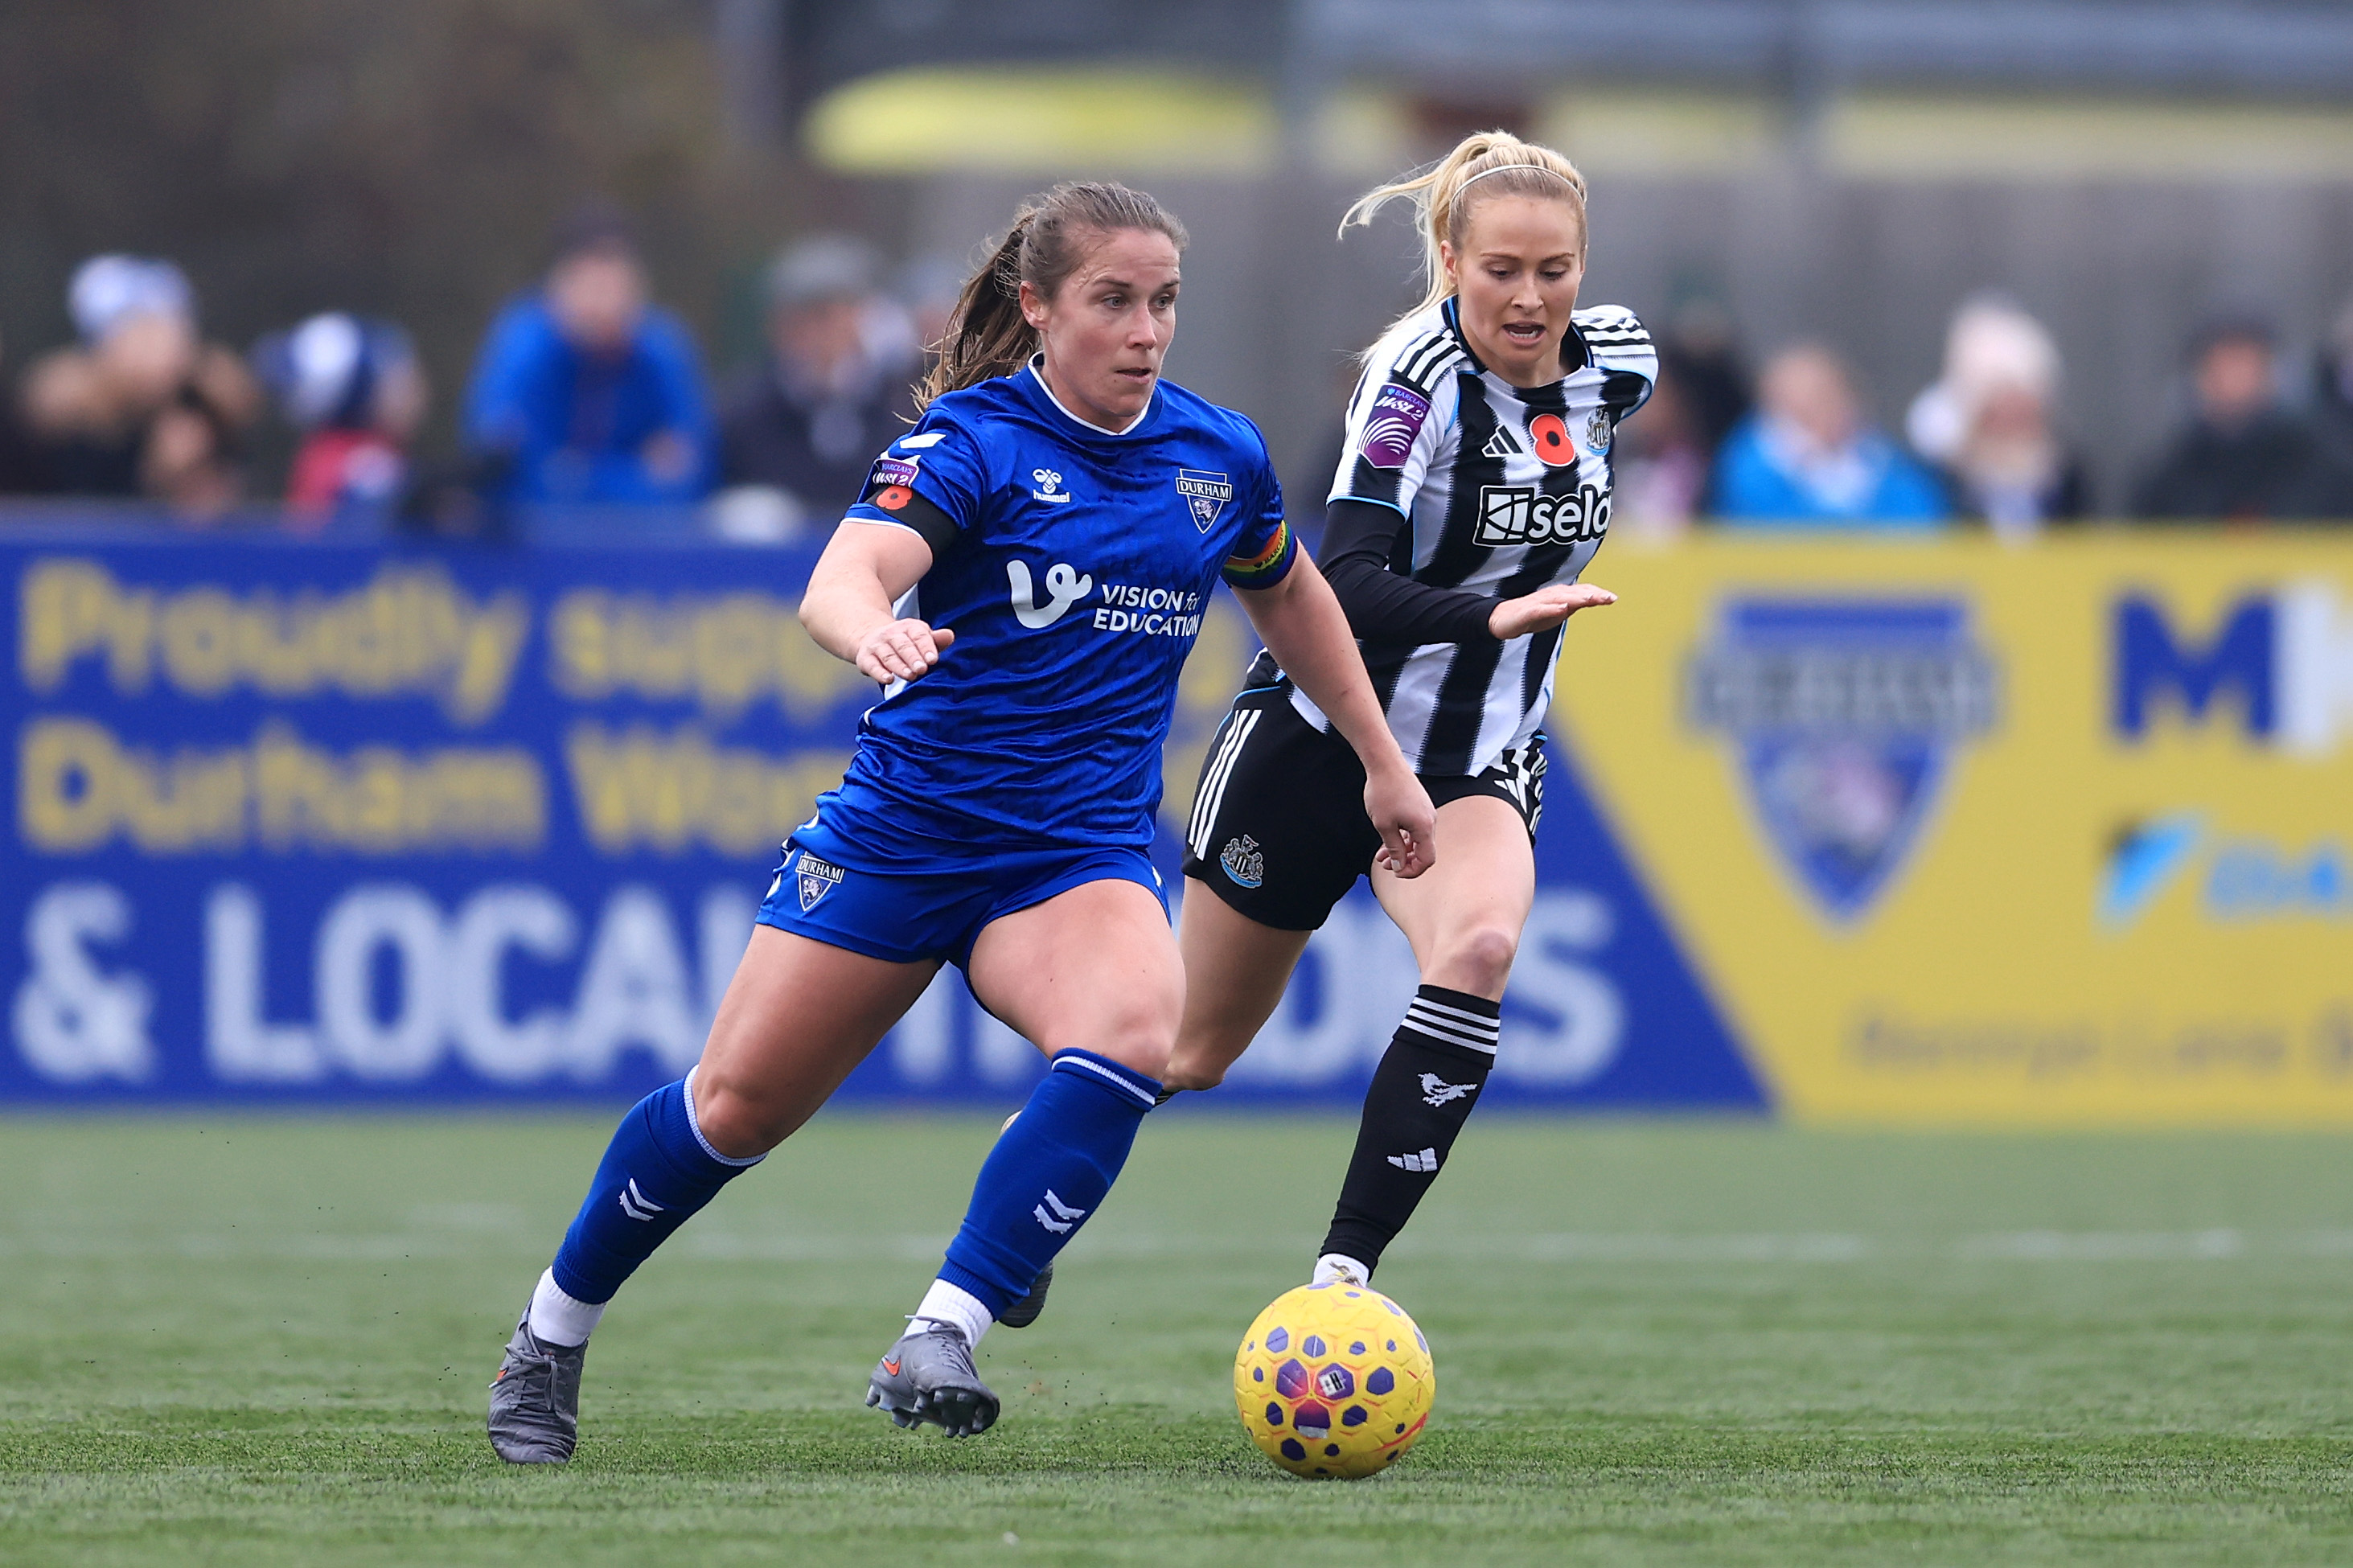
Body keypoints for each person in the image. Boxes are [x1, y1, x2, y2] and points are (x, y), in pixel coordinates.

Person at [483, 181, 1437, 1463]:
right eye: (1112, 300)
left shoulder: (1217, 457)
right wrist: (867, 628)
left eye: (1162, 302)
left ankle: (942, 1325)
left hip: (1072, 856)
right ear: (1038, 308)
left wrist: (1381, 759)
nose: (1145, 328)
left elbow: (1296, 600)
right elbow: (845, 572)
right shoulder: (974, 443)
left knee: (1135, 1032)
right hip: (902, 837)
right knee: (734, 1110)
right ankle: (549, 1334)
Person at [1134, 129, 1637, 1299]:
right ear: (1451, 258)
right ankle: (1020, 1214)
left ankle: (1341, 1279)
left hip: (1477, 757)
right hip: (1322, 738)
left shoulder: (1619, 365)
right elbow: (1343, 574)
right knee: (1185, 1050)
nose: (1530, 295)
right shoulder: (1410, 380)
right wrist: (1490, 618)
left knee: (1479, 947)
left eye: (1554, 269)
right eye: (1501, 268)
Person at [462, 207, 712, 507]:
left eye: (616, 283)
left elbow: (693, 478)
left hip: (642, 546)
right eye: (590, 283)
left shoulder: (664, 349)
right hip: (535, 548)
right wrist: (637, 475)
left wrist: (572, 473)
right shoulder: (522, 347)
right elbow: (501, 472)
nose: (604, 302)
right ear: (558, 285)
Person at [712, 235, 920, 538]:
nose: (817, 334)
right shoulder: (745, 413)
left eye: (828, 316)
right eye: (801, 319)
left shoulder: (902, 407)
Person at [20, 254, 259, 516]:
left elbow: (224, 527)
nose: (159, 351)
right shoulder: (58, 426)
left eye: (167, 331)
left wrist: (187, 477)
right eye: (140, 334)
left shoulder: (205, 411)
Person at [2131, 314, 2353, 524]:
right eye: (2220, 365)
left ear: (2273, 374)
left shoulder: (2323, 473)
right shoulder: (2165, 481)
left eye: (2246, 364)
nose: (2234, 379)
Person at [1905, 295, 2089, 538]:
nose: (2012, 418)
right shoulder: (1944, 483)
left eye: (2023, 407)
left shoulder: (2068, 479)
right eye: (2002, 405)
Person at [1712, 343, 1948, 529]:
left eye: (1832, 395)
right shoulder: (1749, 467)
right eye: (1812, 401)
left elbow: (1923, 516)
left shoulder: (1883, 460)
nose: (1829, 410)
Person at [251, 313, 428, 528]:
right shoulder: (361, 465)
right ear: (361, 392)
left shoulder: (324, 453)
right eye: (396, 378)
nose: (417, 391)